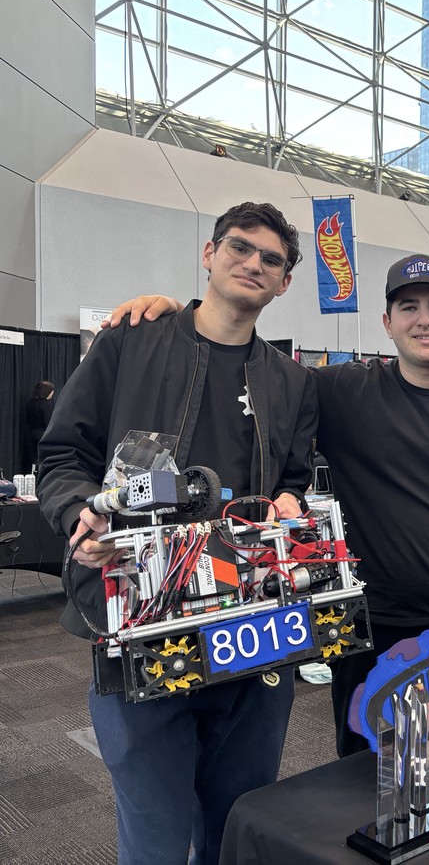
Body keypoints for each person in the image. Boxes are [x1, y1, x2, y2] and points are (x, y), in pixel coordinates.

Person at [105, 253, 429, 758]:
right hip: (370, 626)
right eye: (408, 307)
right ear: (387, 324)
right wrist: (180, 317)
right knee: (366, 781)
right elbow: (250, 372)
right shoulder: (344, 392)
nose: (424, 319)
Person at [37, 201, 318, 865]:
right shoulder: (132, 340)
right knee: (154, 831)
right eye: (239, 247)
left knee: (238, 823)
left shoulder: (293, 383)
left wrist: (288, 500)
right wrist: (81, 511)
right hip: (141, 622)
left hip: (250, 631)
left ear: (284, 283)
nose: (252, 262)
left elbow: (298, 478)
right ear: (209, 254)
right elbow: (61, 456)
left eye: (271, 259)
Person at [25, 380, 55, 469]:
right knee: (46, 457)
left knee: (35, 459)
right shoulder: (46, 404)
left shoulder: (30, 403)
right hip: (44, 434)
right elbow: (48, 422)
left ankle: (34, 474)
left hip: (32, 433)